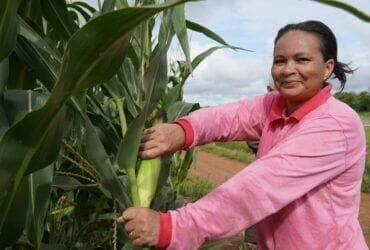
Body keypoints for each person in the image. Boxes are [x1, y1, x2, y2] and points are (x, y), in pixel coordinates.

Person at [117, 20, 368, 250]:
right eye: (280, 61)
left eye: (302, 60)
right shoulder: (275, 104)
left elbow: (258, 188)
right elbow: (229, 117)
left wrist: (174, 227)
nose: (288, 69)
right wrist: (181, 131)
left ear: (327, 68)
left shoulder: (336, 124)